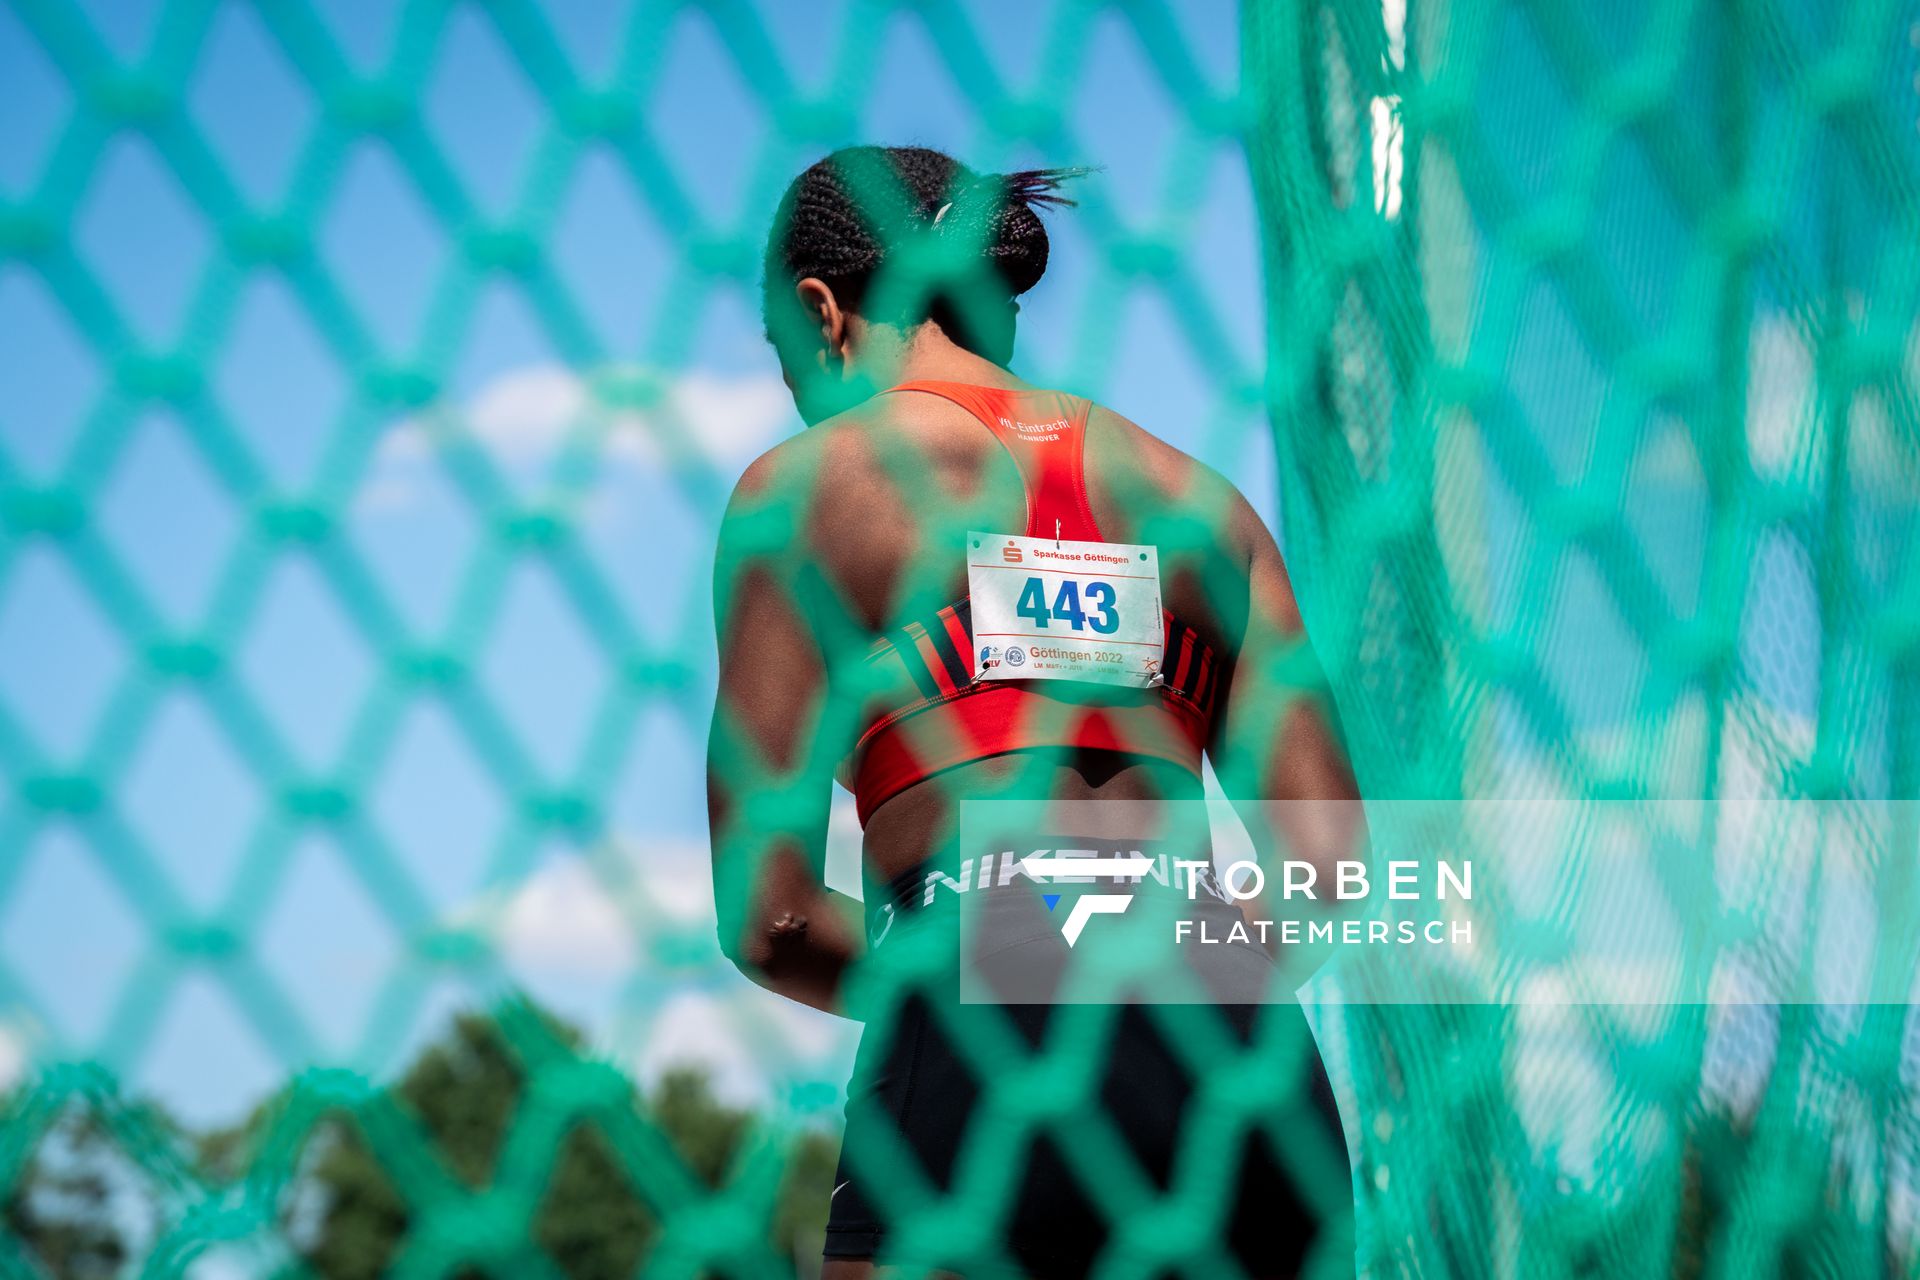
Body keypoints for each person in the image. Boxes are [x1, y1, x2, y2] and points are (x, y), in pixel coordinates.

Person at [708, 145, 1358, 1279]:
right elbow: (1332, 865)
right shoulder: (1210, 507)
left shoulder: (809, 490)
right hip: (1242, 1057)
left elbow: (769, 916)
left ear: (821, 312)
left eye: (786, 357)